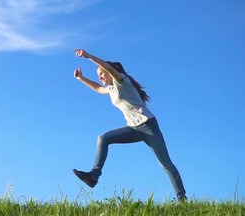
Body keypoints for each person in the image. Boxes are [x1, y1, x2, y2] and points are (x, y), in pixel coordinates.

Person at [72, 49, 187, 201]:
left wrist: (88, 56)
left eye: (101, 73)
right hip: (133, 129)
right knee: (103, 138)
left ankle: (182, 198)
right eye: (98, 75)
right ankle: (93, 176)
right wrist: (82, 78)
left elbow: (109, 68)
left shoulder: (122, 81)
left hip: (149, 126)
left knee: (166, 164)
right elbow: (98, 88)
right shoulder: (111, 89)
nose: (99, 76)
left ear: (108, 71)